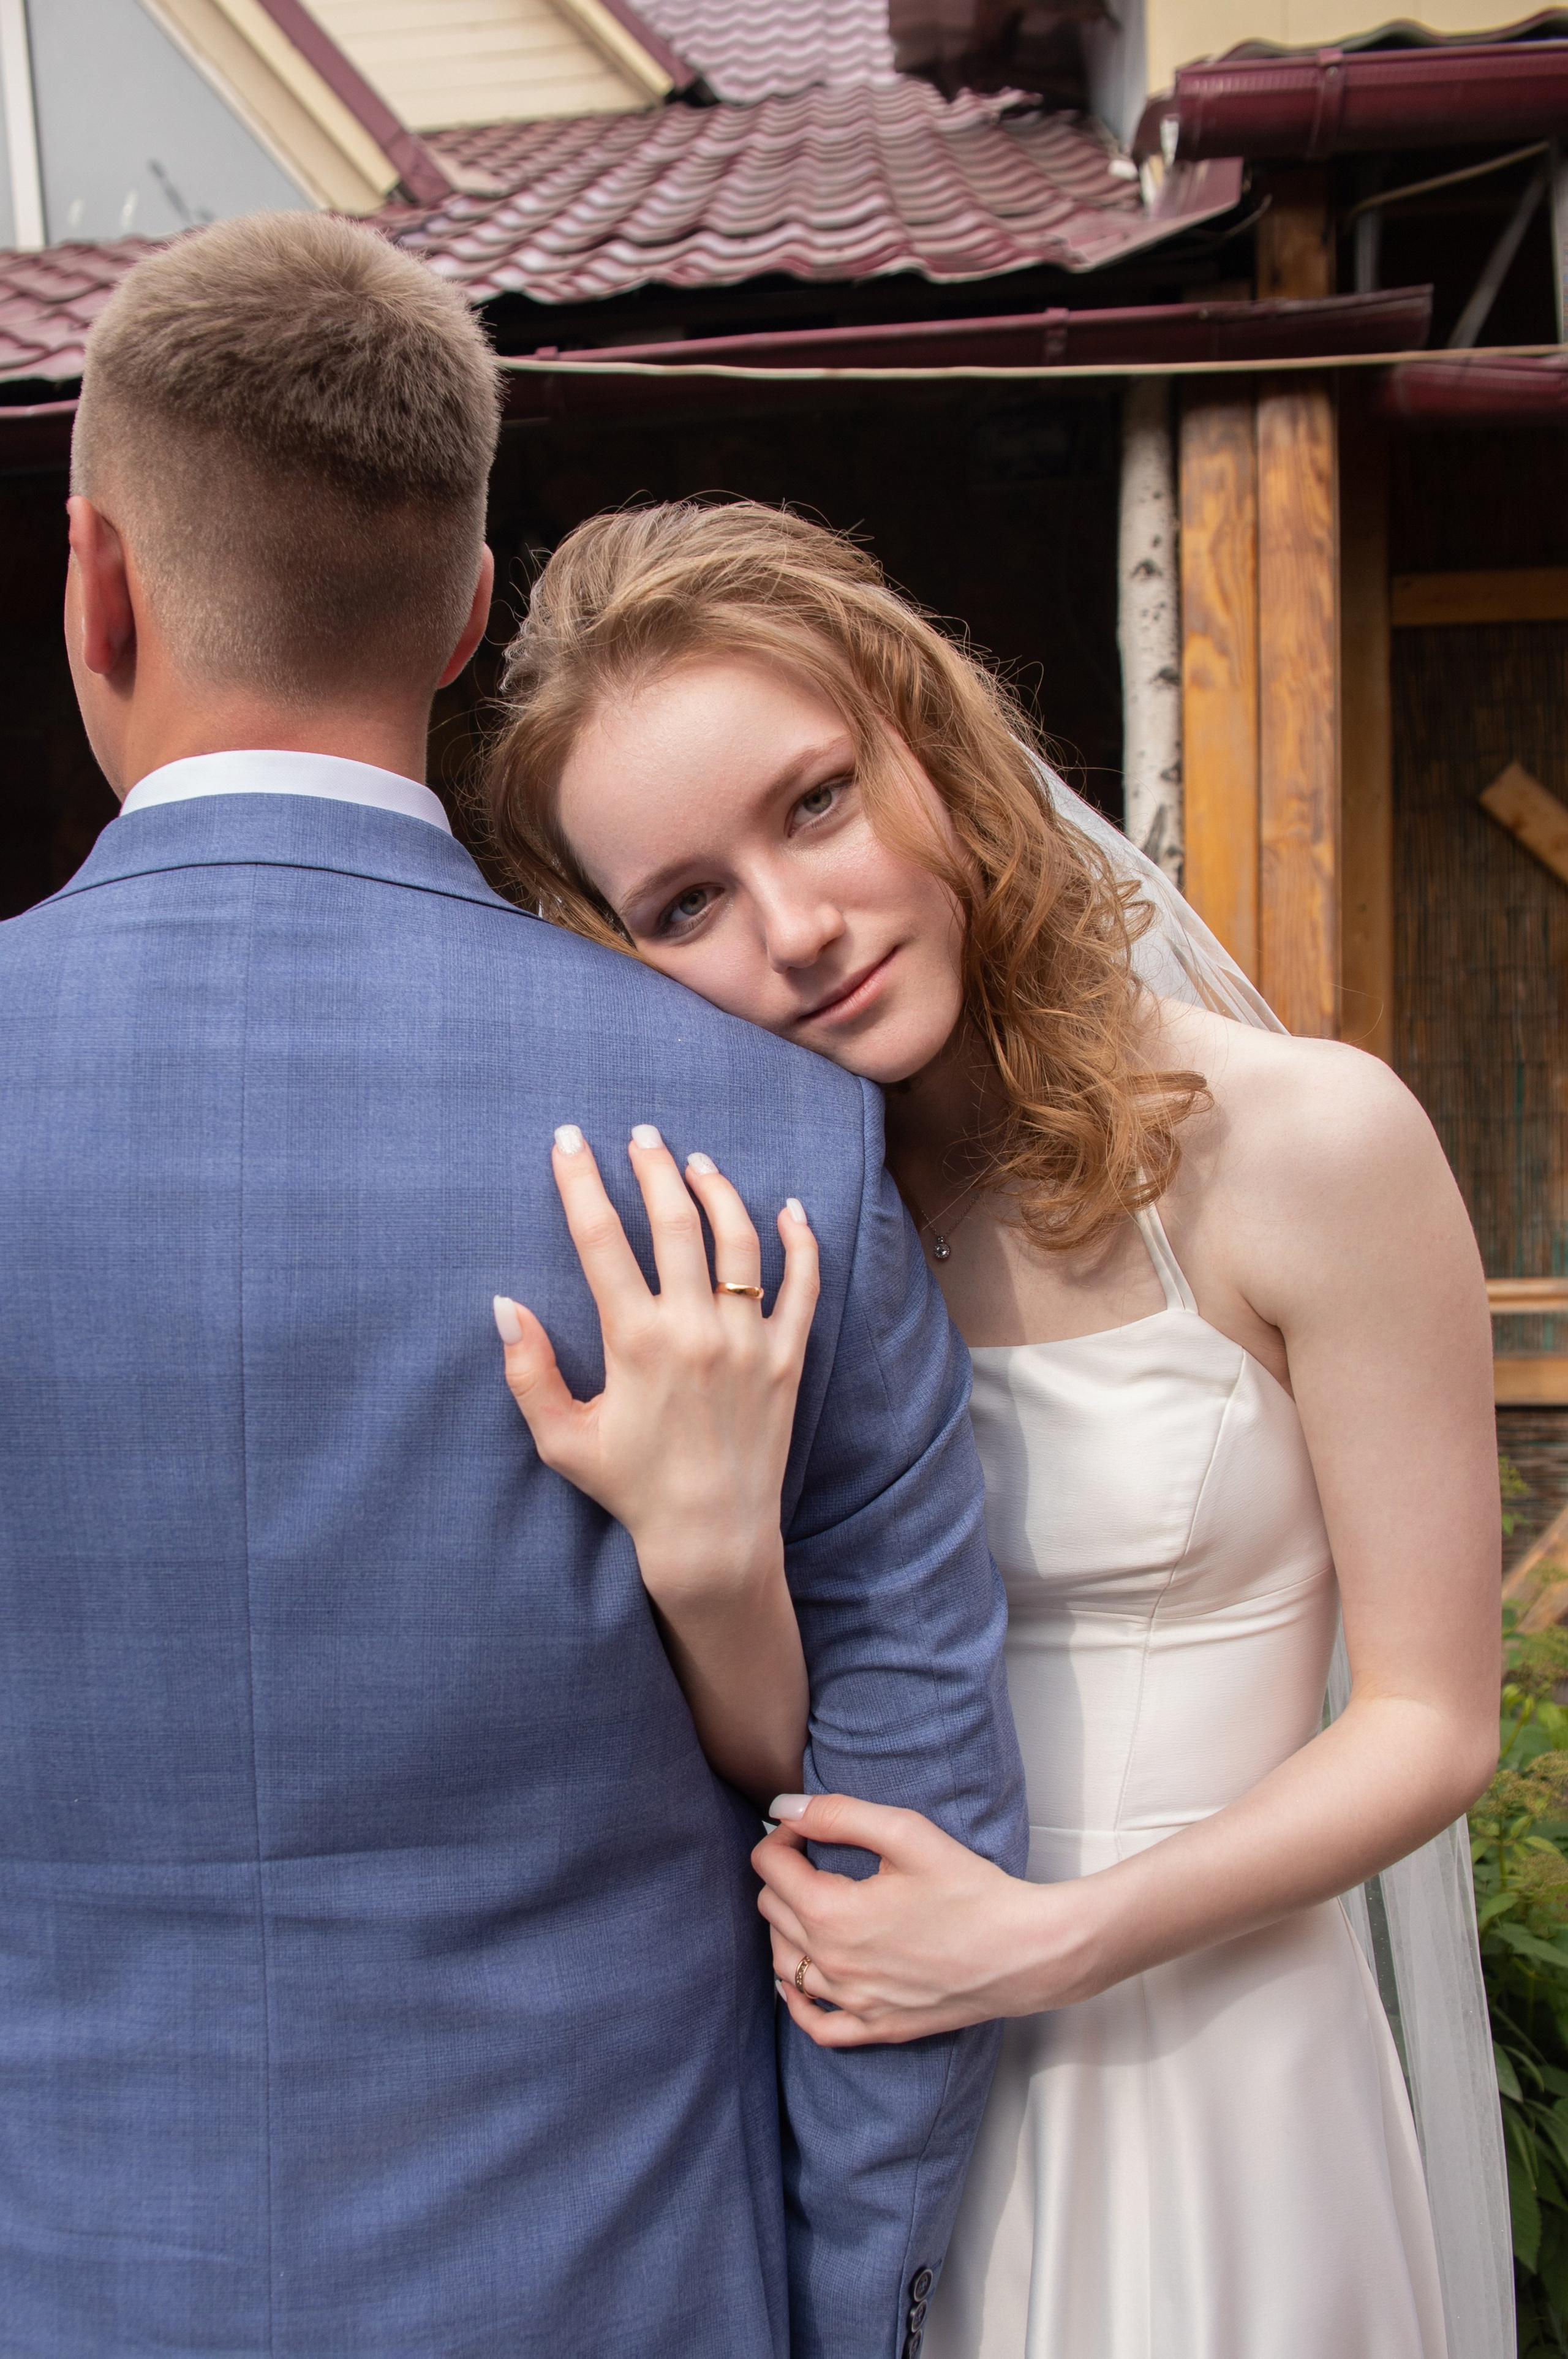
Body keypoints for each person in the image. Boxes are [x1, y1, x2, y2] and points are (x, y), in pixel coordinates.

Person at [0, 222, 1027, 2358]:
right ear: (469, 611)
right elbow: (898, 1860)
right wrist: (840, 2312)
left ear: (95, 583)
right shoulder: (773, 1140)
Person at [484, 499, 1512, 2359]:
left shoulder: (1309, 1143)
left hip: (1214, 2074)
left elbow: (1434, 1725)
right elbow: (804, 1759)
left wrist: (1040, 1942)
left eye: (815, 802)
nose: (799, 929)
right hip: (888, 2106)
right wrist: (711, 1565)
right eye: (687, 904)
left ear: (930, 743)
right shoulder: (758, 1246)